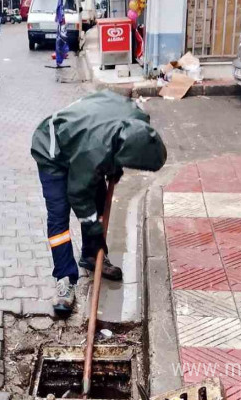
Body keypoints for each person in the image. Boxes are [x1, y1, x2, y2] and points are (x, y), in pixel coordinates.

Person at [30, 90, 167, 316]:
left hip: (83, 138)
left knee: (99, 202)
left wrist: (116, 167)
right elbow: (78, 194)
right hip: (52, 150)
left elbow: (117, 151)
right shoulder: (94, 151)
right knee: (59, 215)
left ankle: (92, 256)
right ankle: (65, 277)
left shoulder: (140, 123)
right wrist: (94, 228)